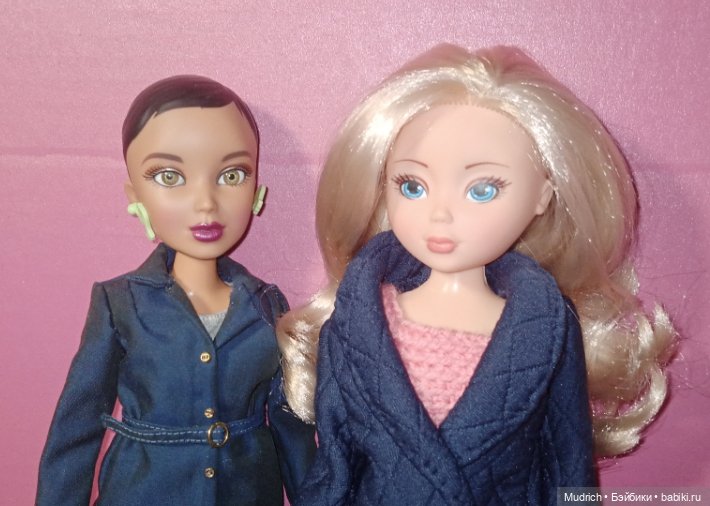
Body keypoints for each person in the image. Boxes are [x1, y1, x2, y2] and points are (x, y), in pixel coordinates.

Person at [277, 45, 676, 505]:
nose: (440, 215)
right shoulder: (354, 324)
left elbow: (568, 462)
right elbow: (335, 466)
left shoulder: (545, 327)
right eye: (413, 186)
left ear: (543, 196)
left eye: (482, 190)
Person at [37, 75, 315, 506]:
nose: (205, 202)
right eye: (169, 176)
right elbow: (77, 427)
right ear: (135, 195)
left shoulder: (267, 304)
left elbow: (290, 428)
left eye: (232, 174)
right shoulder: (119, 304)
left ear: (257, 192)